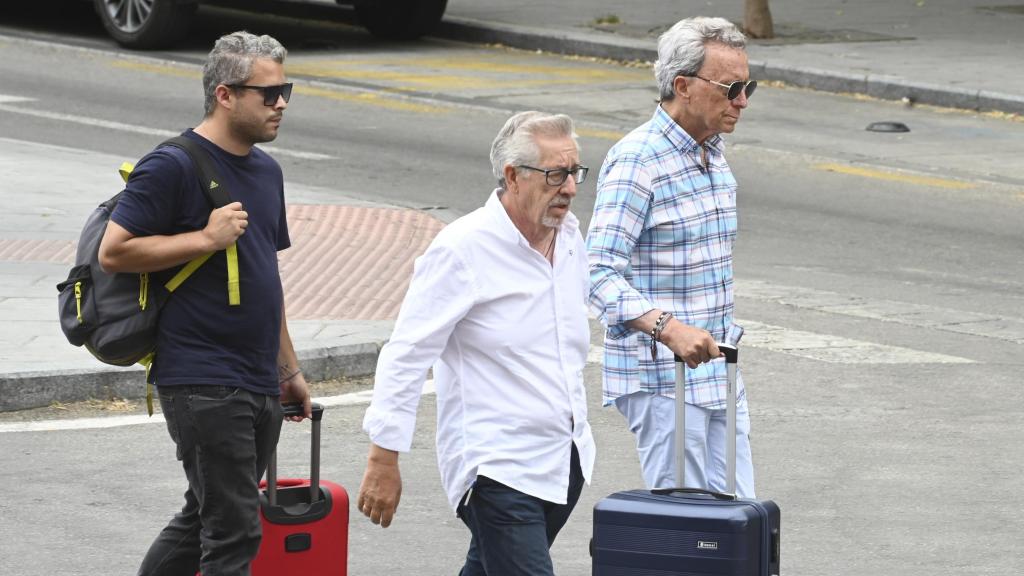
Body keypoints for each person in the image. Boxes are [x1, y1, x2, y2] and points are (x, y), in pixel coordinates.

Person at [98, 31, 311, 576]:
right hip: (202, 377)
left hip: (258, 376)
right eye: (268, 93)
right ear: (224, 94)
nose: (281, 102)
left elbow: (267, 274)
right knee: (234, 530)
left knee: (205, 517)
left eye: (286, 89)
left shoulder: (267, 171)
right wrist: (205, 239)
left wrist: (288, 368)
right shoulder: (171, 164)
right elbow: (115, 251)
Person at [357, 111, 596, 576]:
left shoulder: (569, 237)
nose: (568, 187)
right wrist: (382, 458)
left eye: (573, 173)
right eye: (555, 174)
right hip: (497, 469)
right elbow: (407, 354)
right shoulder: (462, 249)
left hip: (564, 459)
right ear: (513, 176)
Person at [586, 16, 757, 498]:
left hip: (719, 374)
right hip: (666, 381)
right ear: (683, 86)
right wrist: (669, 328)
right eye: (731, 87)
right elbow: (597, 273)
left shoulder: (713, 153)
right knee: (691, 536)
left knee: (741, 524)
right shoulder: (639, 160)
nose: (742, 100)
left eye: (749, 86)